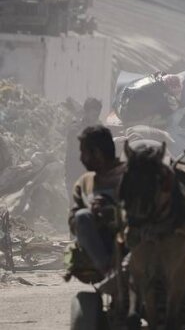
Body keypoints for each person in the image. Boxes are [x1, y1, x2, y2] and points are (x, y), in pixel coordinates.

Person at [67, 126, 126, 276]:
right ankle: (110, 273)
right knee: (82, 216)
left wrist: (112, 210)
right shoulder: (85, 183)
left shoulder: (130, 174)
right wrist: (94, 214)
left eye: (83, 153)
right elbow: (74, 221)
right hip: (104, 245)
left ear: (97, 154)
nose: (81, 158)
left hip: (135, 240)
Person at [65, 98, 103, 199]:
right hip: (75, 174)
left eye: (97, 113)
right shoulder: (75, 128)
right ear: (86, 112)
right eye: (93, 113)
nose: (96, 116)